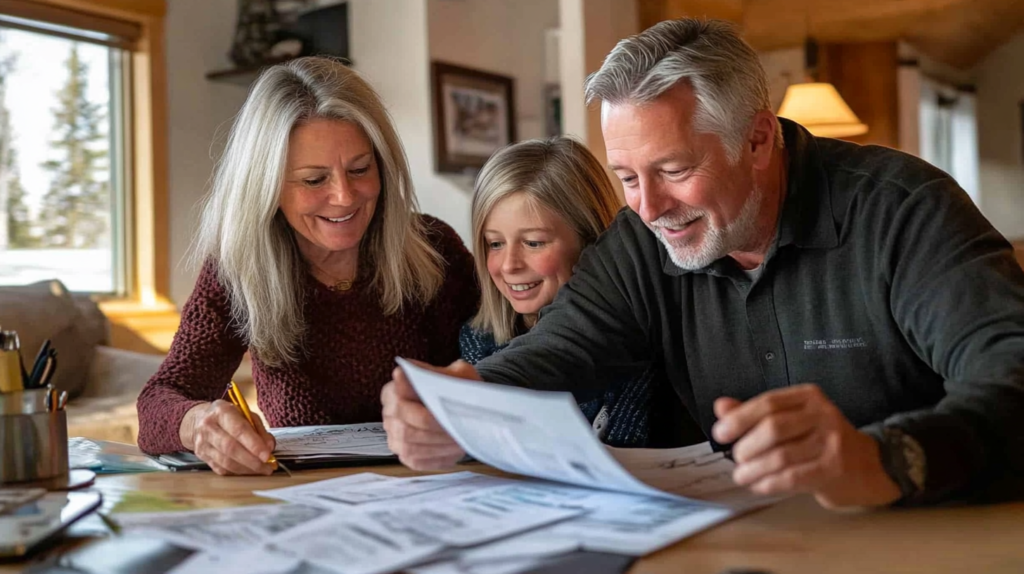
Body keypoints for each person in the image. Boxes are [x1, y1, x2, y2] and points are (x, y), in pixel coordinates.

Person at [381, 19, 1024, 508]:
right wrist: (466, 401)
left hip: (927, 532)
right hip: (745, 540)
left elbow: (1011, 371)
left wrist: (885, 458)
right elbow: (563, 351)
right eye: (627, 176)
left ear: (759, 139)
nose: (650, 207)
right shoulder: (641, 241)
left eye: (675, 170)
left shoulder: (903, 211)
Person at [137, 57, 479, 475]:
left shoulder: (434, 248)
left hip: (437, 484)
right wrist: (198, 424)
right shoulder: (240, 268)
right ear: (266, 185)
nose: (344, 196)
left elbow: (499, 369)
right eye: (314, 180)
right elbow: (161, 399)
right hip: (306, 498)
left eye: (360, 169)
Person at [459, 137, 704, 448]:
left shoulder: (646, 342)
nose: (509, 265)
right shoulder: (478, 341)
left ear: (591, 241)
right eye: (494, 243)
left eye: (534, 243)